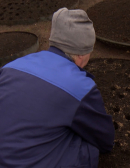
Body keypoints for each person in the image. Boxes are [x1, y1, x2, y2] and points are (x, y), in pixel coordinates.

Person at [0, 8, 115, 168]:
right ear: (82, 53)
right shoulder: (80, 87)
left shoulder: (11, 66)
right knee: (89, 148)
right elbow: (105, 139)